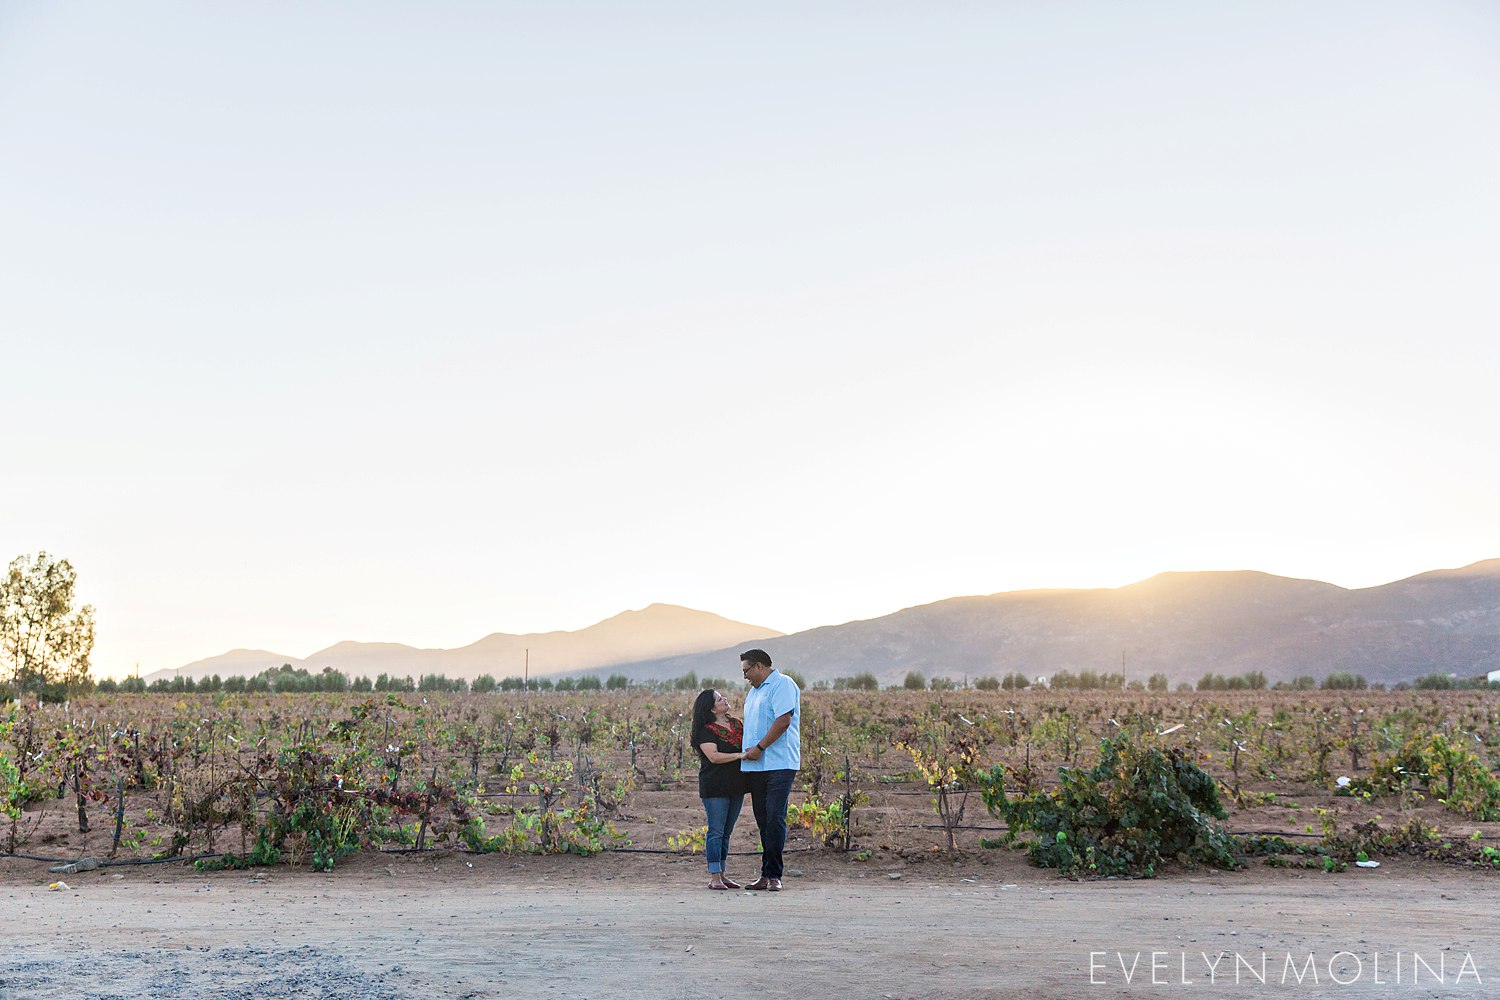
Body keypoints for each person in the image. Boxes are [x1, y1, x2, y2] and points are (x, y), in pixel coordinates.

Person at [738, 648, 800, 891]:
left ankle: (775, 875)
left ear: (760, 666)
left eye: (746, 671)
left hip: (779, 762)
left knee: (775, 817)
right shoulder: (753, 694)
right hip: (756, 765)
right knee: (763, 819)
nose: (744, 676)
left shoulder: (782, 684)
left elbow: (783, 720)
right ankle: (766, 874)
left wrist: (760, 747)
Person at [690, 688, 748, 889]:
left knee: (726, 831)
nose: (724, 699)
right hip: (715, 786)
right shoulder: (705, 730)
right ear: (711, 708)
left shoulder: (736, 725)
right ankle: (714, 876)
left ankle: (722, 874)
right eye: (718, 698)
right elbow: (713, 757)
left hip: (736, 784)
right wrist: (740, 756)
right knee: (716, 830)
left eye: (722, 696)